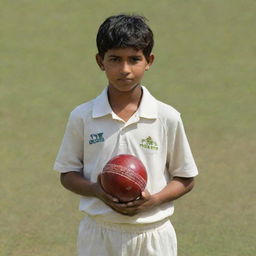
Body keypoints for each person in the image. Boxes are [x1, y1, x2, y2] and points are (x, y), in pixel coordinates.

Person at [54, 14, 198, 256]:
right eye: (115, 59)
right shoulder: (82, 116)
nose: (125, 70)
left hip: (153, 234)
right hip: (99, 233)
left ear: (149, 61)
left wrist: (154, 200)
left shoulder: (166, 117)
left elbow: (185, 178)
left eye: (134, 59)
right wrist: (96, 190)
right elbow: (67, 174)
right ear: (100, 61)